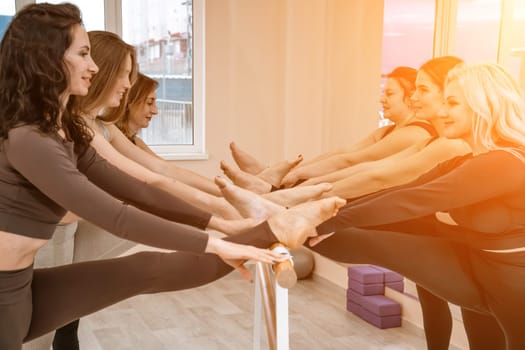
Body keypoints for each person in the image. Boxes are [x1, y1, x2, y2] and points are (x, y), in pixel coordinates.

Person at [0, 3, 346, 349]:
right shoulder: (29, 139)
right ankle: (267, 227)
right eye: (84, 54)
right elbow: (115, 215)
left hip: (19, 283)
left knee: (149, 269)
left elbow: (137, 191)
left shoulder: (64, 130)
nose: (93, 67)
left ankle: (271, 228)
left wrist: (224, 226)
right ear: (48, 59)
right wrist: (214, 241)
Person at [307, 61, 520, 349]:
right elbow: (404, 191)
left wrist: (322, 217)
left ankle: (270, 222)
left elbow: (408, 197)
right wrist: (309, 211)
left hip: (511, 283)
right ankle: (267, 224)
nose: (442, 111)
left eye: (452, 102)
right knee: (353, 239)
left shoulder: (503, 161)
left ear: (484, 105)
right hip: (481, 271)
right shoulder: (466, 159)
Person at [222, 66, 437, 191]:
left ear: (409, 97)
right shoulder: (386, 130)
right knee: (311, 174)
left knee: (317, 181)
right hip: (359, 180)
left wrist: (303, 176)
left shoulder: (414, 133)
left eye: (390, 94)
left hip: (371, 189)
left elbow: (353, 162)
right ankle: (267, 174)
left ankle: (268, 182)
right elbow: (344, 152)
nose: (382, 99)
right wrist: (292, 170)